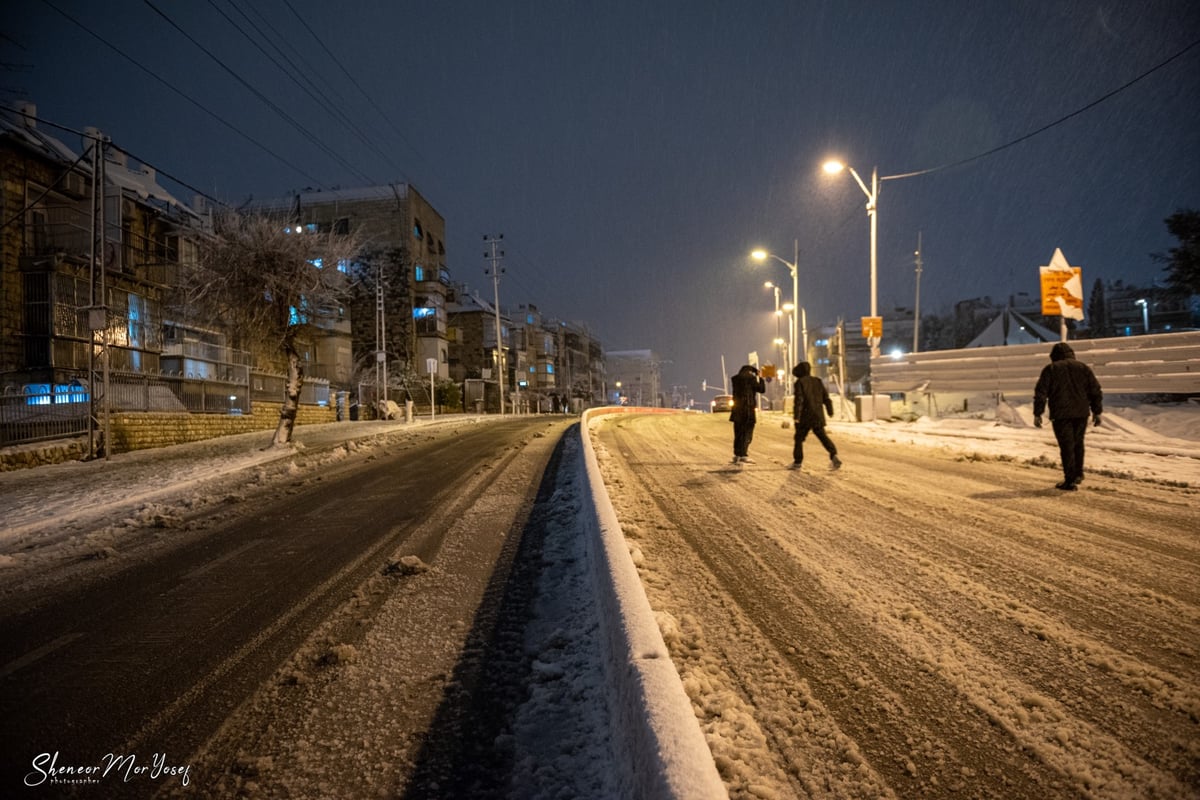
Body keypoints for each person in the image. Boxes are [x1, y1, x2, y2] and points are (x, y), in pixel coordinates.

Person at [1033, 341, 1103, 491]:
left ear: (1053, 356)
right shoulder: (1083, 368)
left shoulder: (1051, 369)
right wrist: (1097, 412)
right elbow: (1095, 390)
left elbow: (1041, 393)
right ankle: (1078, 474)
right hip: (1081, 413)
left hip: (1061, 414)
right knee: (1078, 443)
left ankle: (1069, 480)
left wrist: (1038, 413)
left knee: (1066, 446)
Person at [790, 361, 841, 471]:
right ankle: (833, 455)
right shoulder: (818, 381)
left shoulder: (800, 382)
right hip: (818, 415)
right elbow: (826, 398)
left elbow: (799, 400)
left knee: (799, 438)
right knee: (823, 436)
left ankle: (797, 462)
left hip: (805, 417)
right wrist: (830, 411)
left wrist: (797, 416)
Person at [729, 364, 766, 463]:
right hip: (748, 410)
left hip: (737, 411)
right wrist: (760, 378)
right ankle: (743, 454)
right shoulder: (751, 379)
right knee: (747, 433)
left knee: (738, 432)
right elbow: (762, 389)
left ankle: (737, 454)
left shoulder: (735, 379)